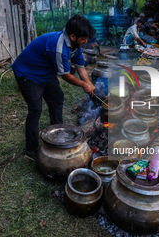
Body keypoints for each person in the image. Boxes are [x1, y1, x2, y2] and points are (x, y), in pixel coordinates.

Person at [12, 15, 96, 159]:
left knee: (57, 98)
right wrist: (83, 84)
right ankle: (31, 150)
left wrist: (90, 85)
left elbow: (81, 67)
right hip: (28, 74)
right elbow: (65, 75)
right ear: (73, 36)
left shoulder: (76, 45)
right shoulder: (59, 48)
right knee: (36, 109)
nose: (86, 41)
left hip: (45, 72)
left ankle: (57, 135)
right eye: (83, 38)